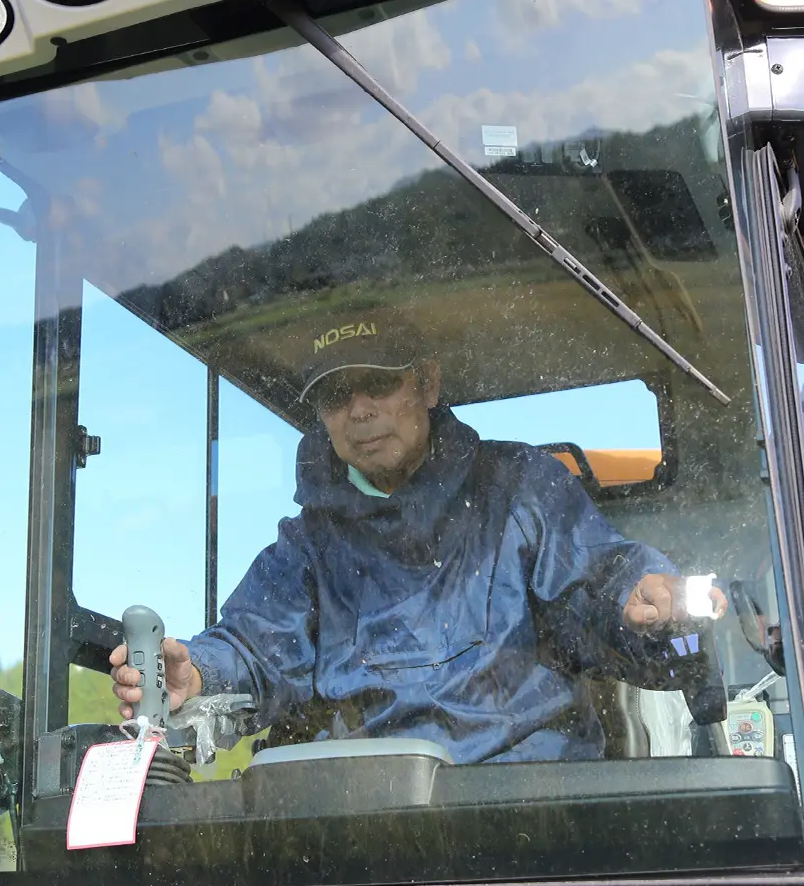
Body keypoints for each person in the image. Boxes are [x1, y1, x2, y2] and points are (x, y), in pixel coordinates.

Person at [111, 311, 725, 763]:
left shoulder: (519, 489)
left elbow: (596, 582)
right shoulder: (306, 547)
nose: (358, 410)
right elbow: (252, 647)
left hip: (526, 819)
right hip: (365, 831)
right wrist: (199, 676)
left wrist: (644, 601)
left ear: (426, 386)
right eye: (334, 395)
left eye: (377, 384)